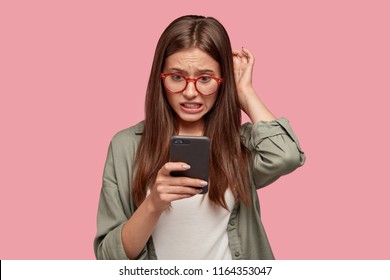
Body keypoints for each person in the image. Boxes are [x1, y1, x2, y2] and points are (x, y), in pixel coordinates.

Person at [94, 15, 305, 260]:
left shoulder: (241, 144)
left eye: (205, 79)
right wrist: (153, 204)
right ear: (160, 79)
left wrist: (244, 92)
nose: (191, 92)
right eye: (177, 77)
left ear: (222, 81)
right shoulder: (125, 146)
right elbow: (108, 258)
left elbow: (286, 155)